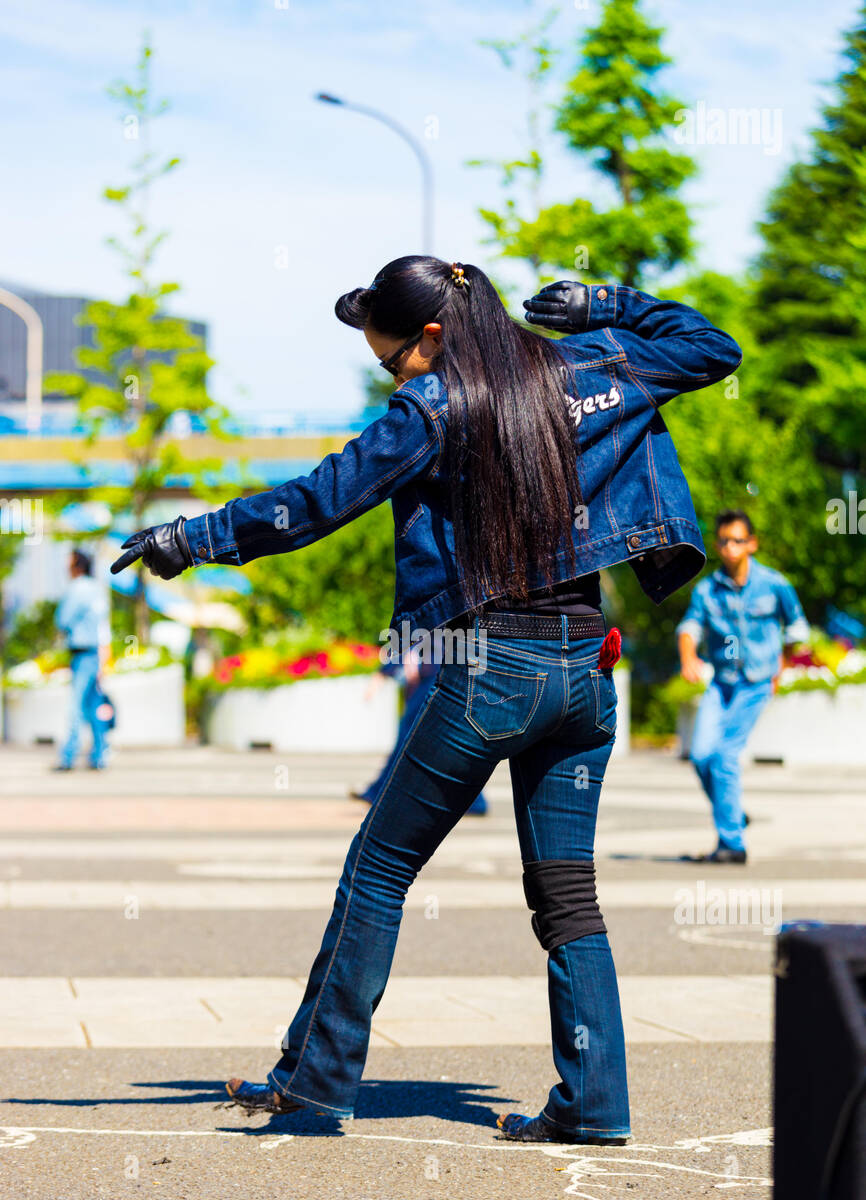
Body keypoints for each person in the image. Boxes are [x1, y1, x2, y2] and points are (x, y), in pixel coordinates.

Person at [111, 258, 741, 1144]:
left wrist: (194, 536)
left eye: (392, 360)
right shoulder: (602, 364)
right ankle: (595, 1103)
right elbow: (713, 346)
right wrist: (609, 303)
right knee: (568, 894)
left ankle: (317, 1084)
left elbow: (321, 499)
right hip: (584, 672)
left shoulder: (436, 407)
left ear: (434, 337)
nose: (393, 377)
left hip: (494, 668)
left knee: (379, 868)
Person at [676, 510, 809, 864]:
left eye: (737, 540)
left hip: (755, 683)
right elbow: (690, 626)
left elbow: (797, 628)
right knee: (701, 755)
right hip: (722, 684)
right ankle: (732, 811)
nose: (730, 547)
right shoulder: (708, 590)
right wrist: (688, 657)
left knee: (724, 756)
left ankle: (731, 843)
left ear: (751, 543)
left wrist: (780, 666)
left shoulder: (774, 583)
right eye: (723, 541)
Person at [353, 645, 488, 815]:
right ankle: (475, 801)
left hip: (439, 672)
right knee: (447, 738)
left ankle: (379, 790)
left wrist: (388, 669)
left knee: (412, 733)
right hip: (445, 669)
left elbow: (422, 625)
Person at [53, 548, 111, 772]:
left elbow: (63, 620)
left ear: (76, 564)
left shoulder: (76, 589)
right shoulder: (97, 589)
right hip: (95, 652)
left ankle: (68, 756)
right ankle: (99, 754)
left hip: (81, 652)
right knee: (93, 704)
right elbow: (103, 627)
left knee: (76, 706)